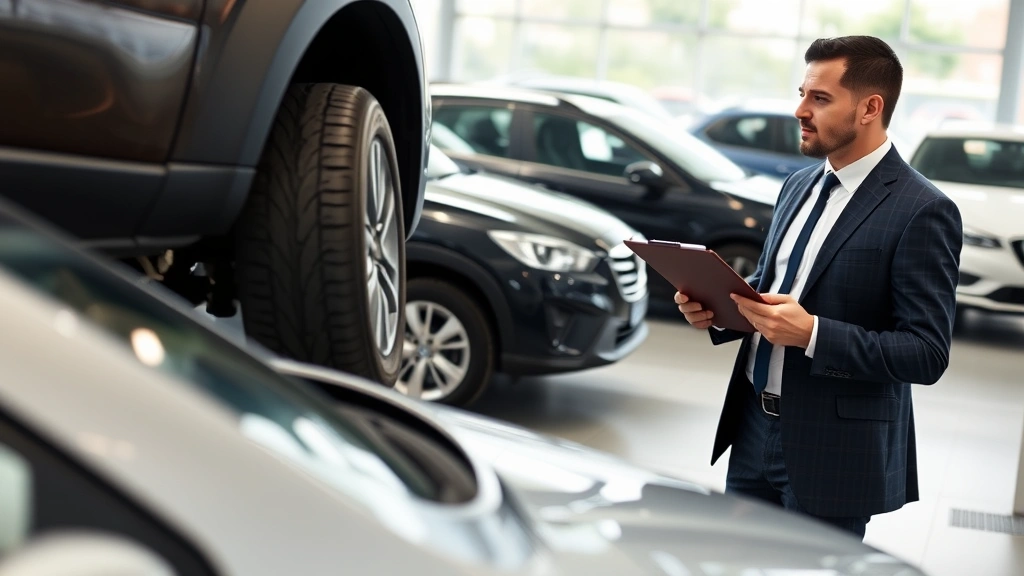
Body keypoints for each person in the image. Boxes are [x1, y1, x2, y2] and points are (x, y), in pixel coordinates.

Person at [675, 35, 962, 540]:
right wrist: (716, 309)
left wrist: (812, 334)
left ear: (871, 107)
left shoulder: (922, 210)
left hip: (835, 448)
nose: (800, 110)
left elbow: (925, 352)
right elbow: (768, 288)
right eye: (802, 93)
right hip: (751, 427)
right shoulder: (797, 186)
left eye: (820, 98)